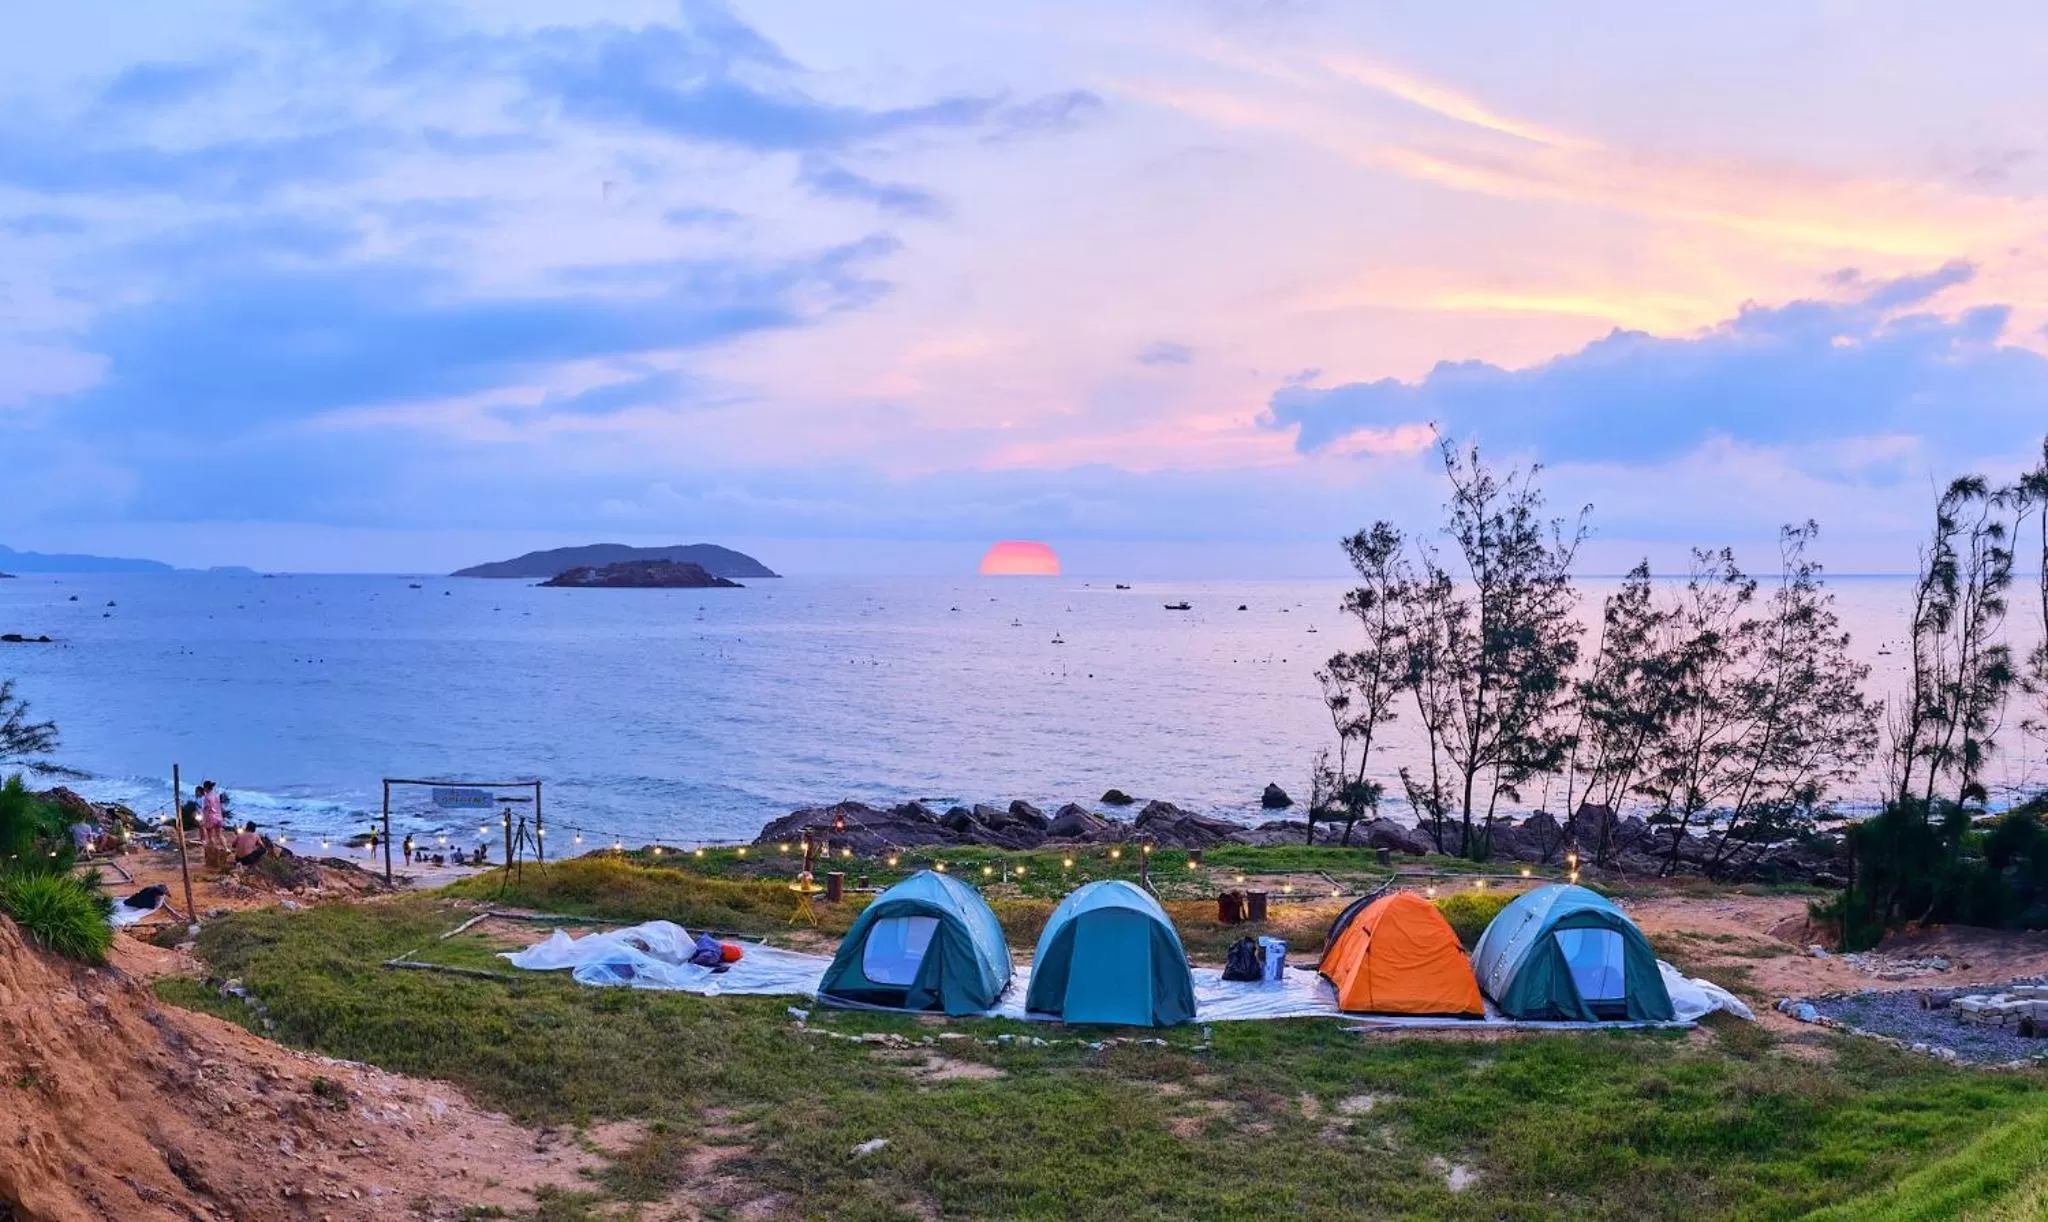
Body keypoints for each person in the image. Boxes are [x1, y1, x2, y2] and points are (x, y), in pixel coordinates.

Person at [199, 781, 227, 852]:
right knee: (220, 835)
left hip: (211, 817)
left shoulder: (207, 797)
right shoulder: (216, 796)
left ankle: (214, 850)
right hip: (219, 817)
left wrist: (204, 820)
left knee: (210, 836)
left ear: (206, 788)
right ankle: (226, 848)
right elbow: (220, 807)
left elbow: (207, 809)